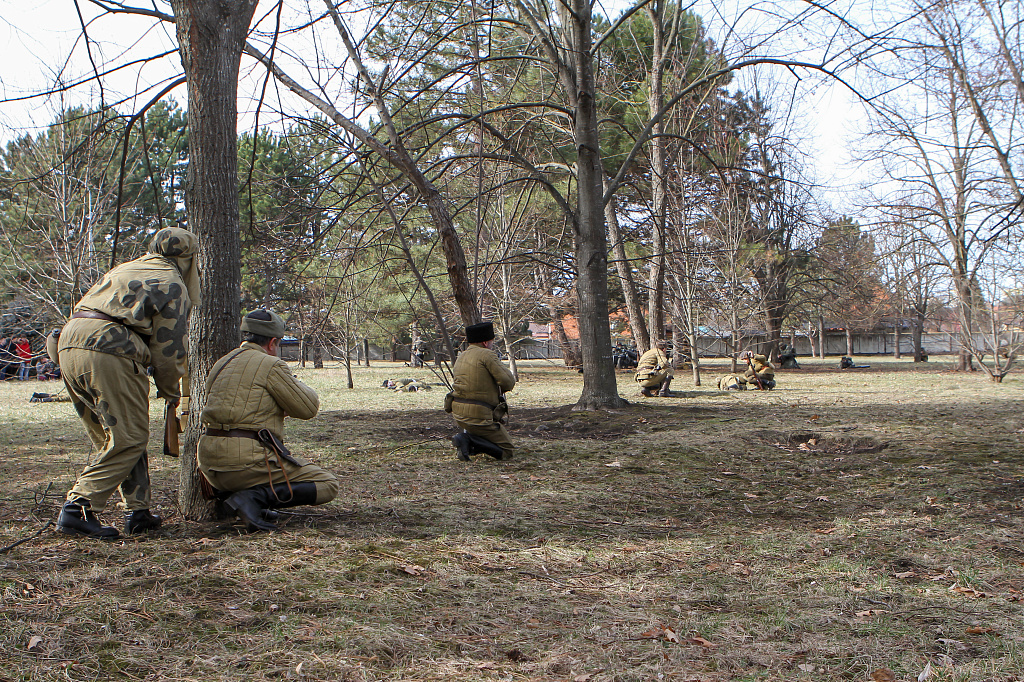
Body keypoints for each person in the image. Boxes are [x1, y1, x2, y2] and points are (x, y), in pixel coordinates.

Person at [55, 226, 200, 539]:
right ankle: (77, 508)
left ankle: (138, 511)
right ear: (187, 259)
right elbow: (169, 349)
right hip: (110, 349)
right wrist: (171, 392)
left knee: (117, 437)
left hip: (69, 343)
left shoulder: (126, 268)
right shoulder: (172, 282)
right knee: (130, 438)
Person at [198, 310, 339, 532]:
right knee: (328, 484)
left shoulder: (222, 362)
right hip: (244, 463)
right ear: (273, 342)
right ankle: (252, 499)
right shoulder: (270, 365)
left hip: (209, 467)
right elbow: (308, 408)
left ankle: (248, 501)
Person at [448, 321, 516, 462]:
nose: (492, 343)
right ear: (485, 342)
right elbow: (508, 382)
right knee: (507, 451)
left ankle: (468, 444)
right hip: (479, 416)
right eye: (492, 340)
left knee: (487, 436)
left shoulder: (462, 356)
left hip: (459, 413)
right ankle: (467, 440)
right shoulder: (487, 355)